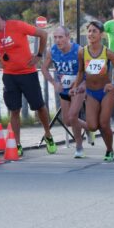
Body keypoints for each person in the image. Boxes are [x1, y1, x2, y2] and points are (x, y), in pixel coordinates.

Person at [0, 8, 56, 156]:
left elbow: (43, 34)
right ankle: (16, 144)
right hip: (9, 76)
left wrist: (39, 55)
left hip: (28, 74)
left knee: (39, 106)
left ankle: (48, 134)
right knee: (14, 110)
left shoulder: (17, 25)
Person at [71, 21, 114, 162]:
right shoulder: (82, 51)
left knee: (104, 123)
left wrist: (113, 84)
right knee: (92, 126)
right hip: (91, 92)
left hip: (106, 91)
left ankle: (109, 150)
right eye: (89, 31)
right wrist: (76, 87)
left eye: (94, 31)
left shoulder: (107, 52)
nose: (91, 34)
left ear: (101, 34)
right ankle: (92, 132)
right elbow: (81, 71)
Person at [41, 26, 88, 158]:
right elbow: (44, 68)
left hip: (78, 86)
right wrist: (54, 82)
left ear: (68, 37)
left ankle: (79, 146)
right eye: (55, 37)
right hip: (64, 88)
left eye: (60, 37)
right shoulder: (52, 51)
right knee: (67, 121)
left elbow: (87, 69)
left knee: (73, 116)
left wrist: (81, 84)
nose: (57, 40)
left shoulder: (78, 50)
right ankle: (90, 128)